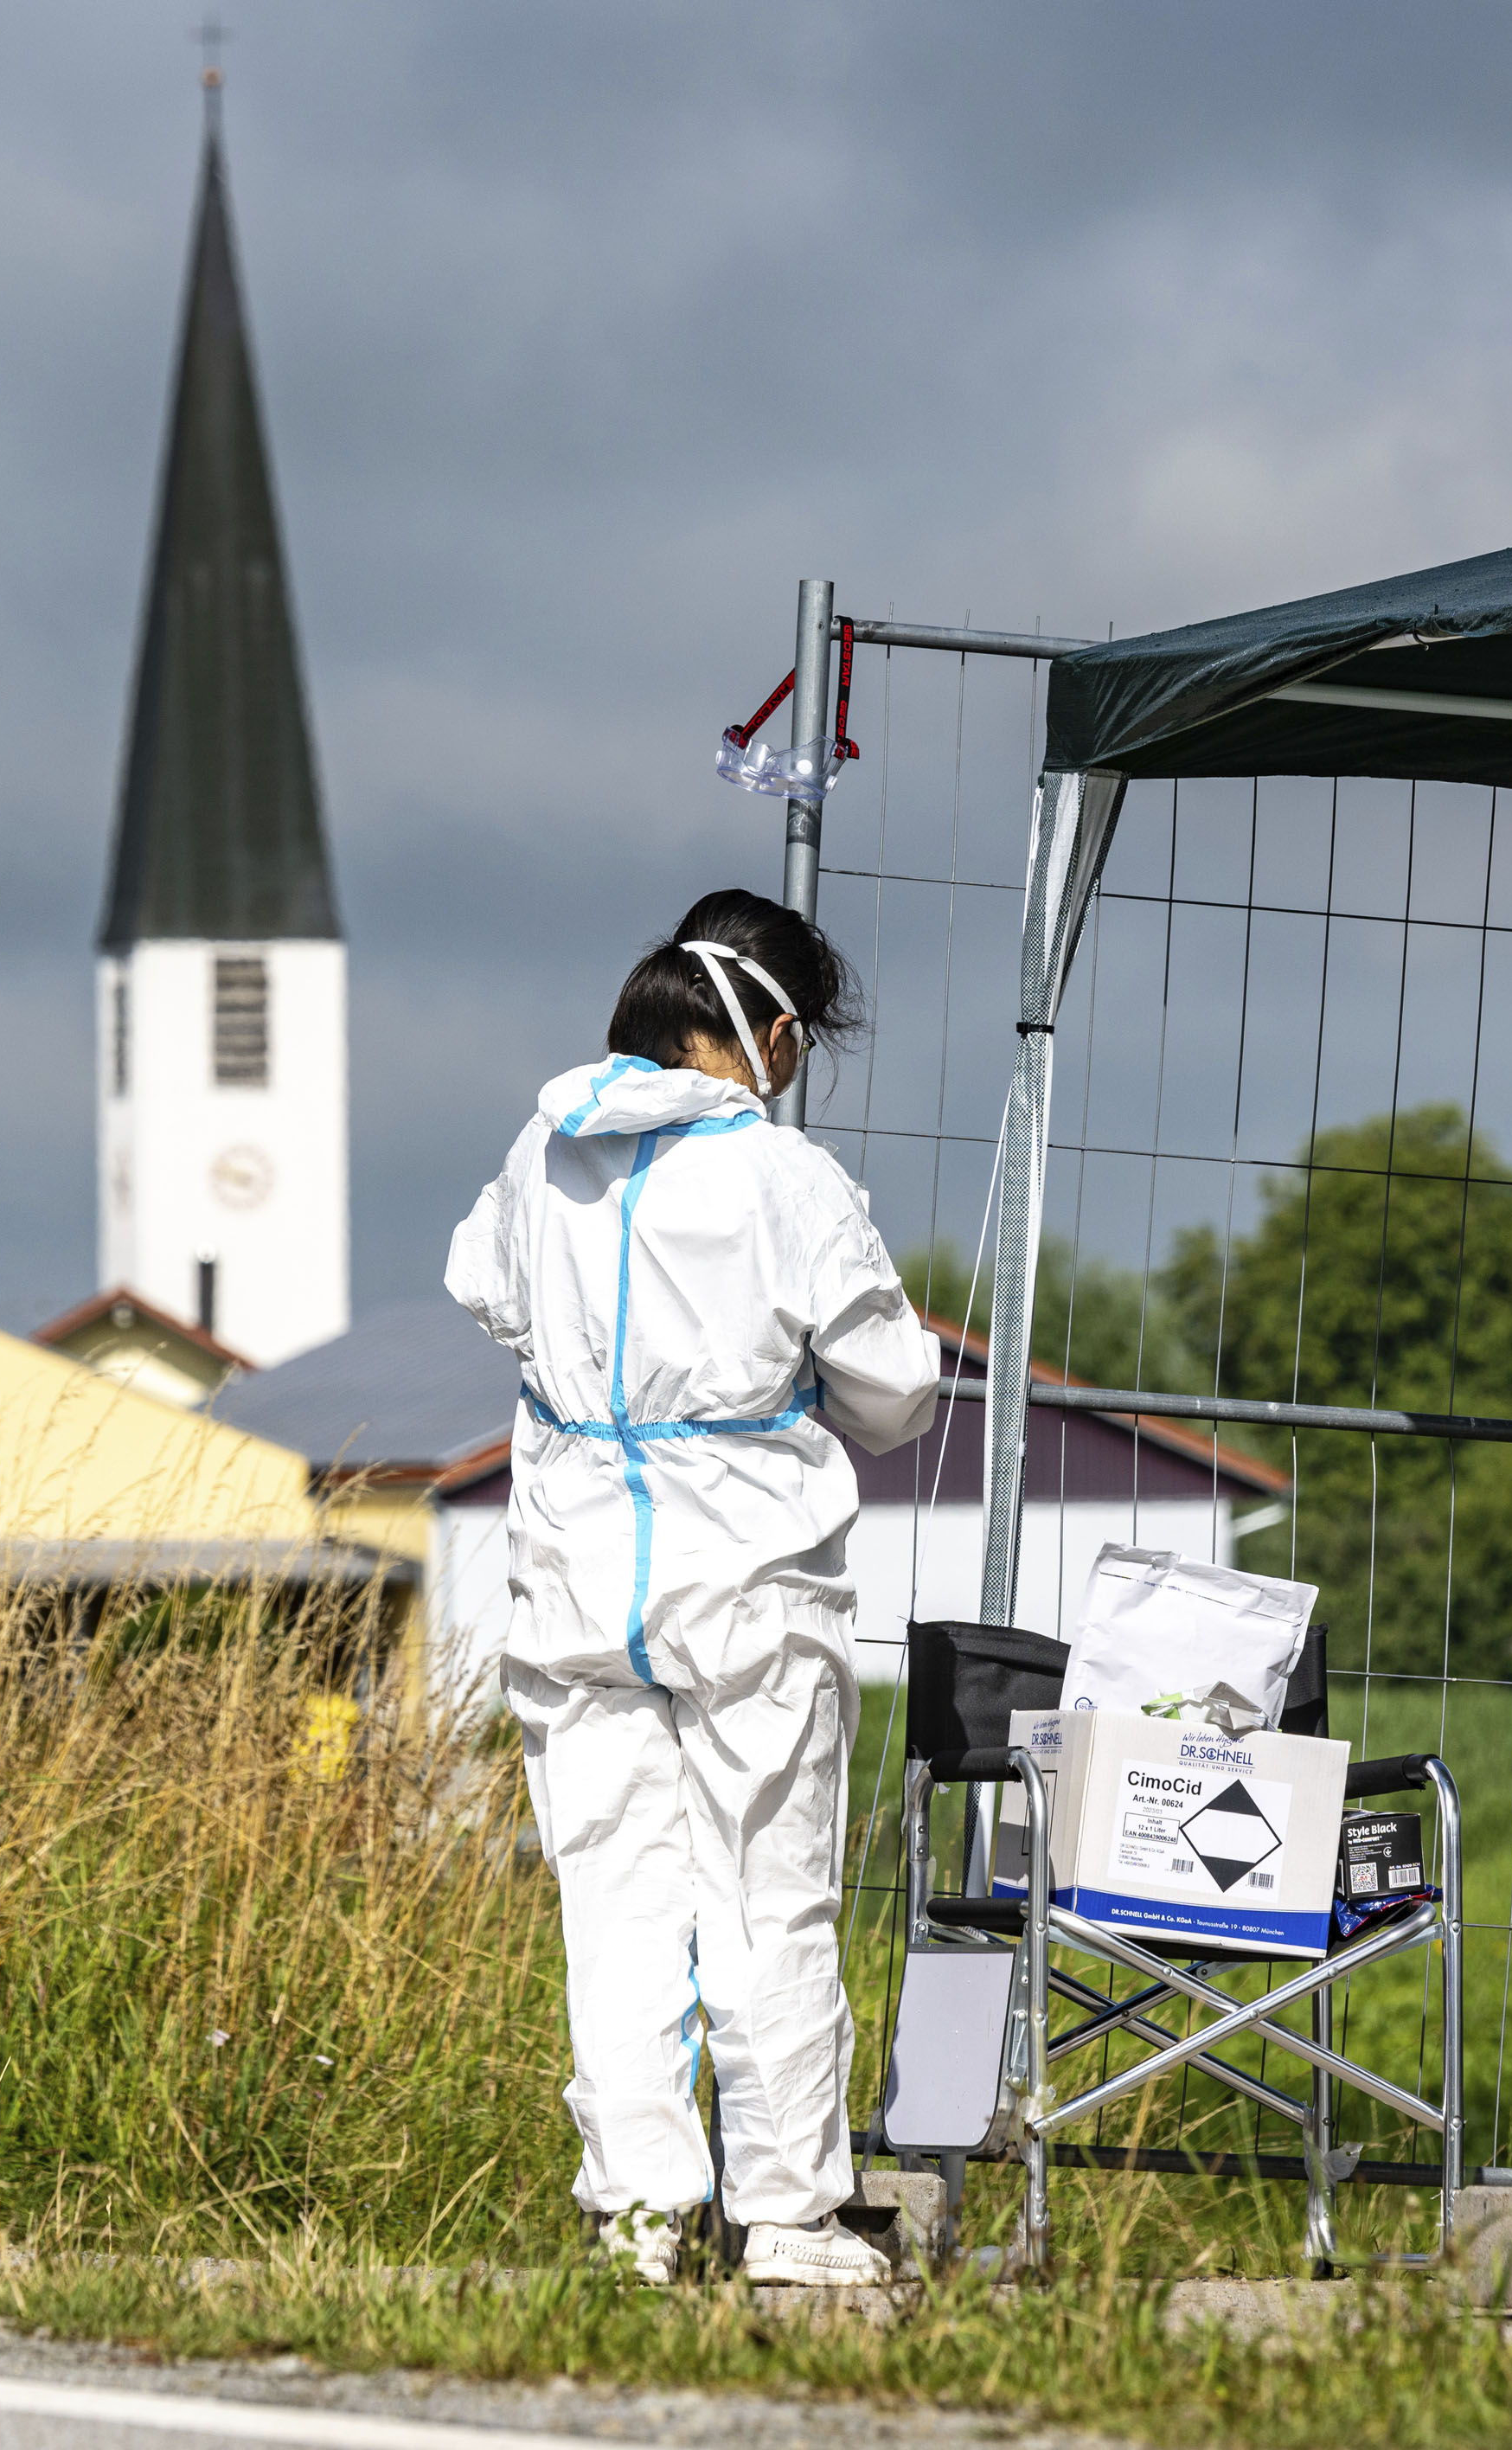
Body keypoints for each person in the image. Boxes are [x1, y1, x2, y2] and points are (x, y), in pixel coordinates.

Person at [445, 889, 942, 2288]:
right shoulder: (784, 1179)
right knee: (764, 1894)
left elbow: (480, 1283)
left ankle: (643, 2219)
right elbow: (898, 1393)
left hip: (575, 1586)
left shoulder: (543, 1150)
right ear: (772, 1036)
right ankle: (785, 2216)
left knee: (614, 1905)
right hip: (747, 1588)